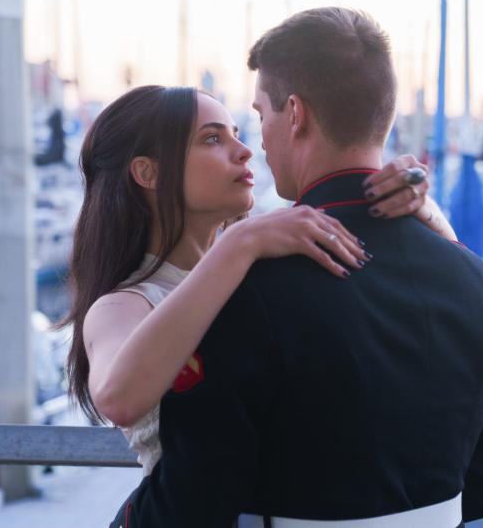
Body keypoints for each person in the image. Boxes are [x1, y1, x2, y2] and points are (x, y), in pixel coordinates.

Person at [114, 7, 483, 528]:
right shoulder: (473, 279)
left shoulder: (245, 289)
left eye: (260, 116)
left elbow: (194, 503)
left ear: (295, 113)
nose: (257, 142)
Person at [62, 84, 446, 479]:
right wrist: (241, 242)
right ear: (148, 173)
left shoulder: (259, 267)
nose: (244, 151)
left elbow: (450, 302)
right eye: (212, 138)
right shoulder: (123, 306)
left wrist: (422, 209)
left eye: (237, 134)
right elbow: (118, 397)